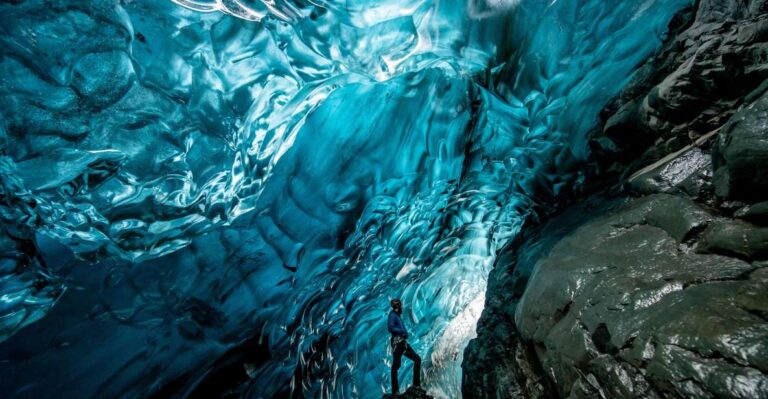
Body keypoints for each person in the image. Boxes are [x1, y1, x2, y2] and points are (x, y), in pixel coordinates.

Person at [387, 298, 421, 395]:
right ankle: (412, 386)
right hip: (398, 342)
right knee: (396, 366)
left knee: (415, 360)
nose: (402, 307)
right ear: (397, 306)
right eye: (400, 305)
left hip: (401, 342)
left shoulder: (396, 315)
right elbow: (390, 327)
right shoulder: (393, 315)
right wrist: (402, 332)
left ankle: (414, 386)